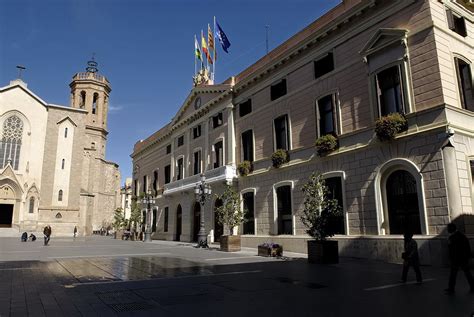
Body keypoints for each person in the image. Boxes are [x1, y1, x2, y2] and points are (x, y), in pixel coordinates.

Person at [445, 223, 474, 294]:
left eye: (448, 228)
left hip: (458, 259)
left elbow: (454, 249)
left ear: (452, 229)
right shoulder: (460, 236)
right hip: (461, 259)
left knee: (454, 274)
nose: (447, 230)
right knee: (466, 273)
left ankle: (451, 289)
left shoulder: (455, 237)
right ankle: (472, 287)